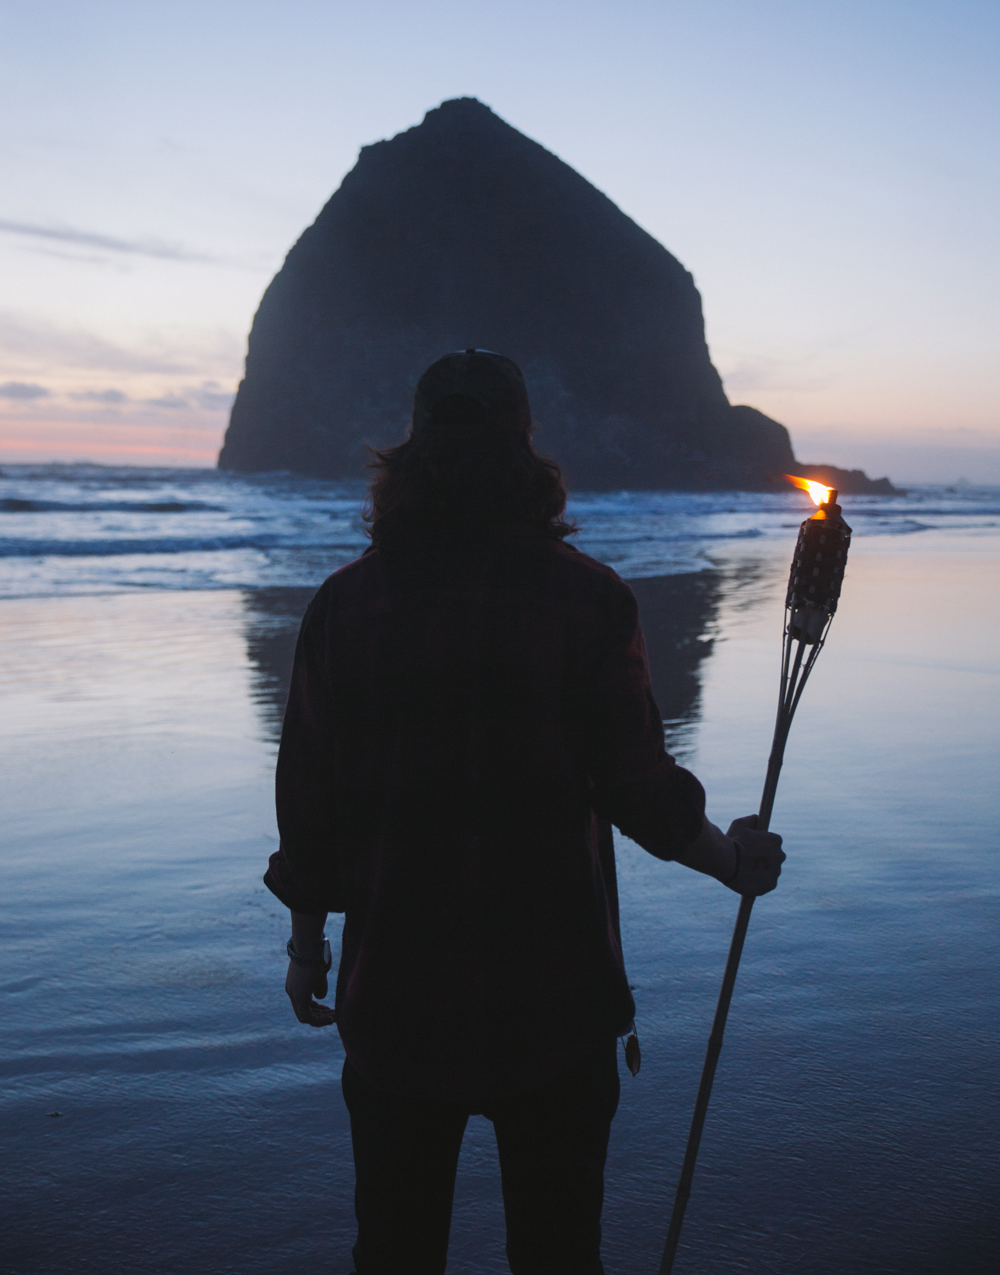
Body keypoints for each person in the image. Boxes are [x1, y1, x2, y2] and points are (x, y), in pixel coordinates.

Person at [264, 349, 785, 1275]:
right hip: (555, 1000)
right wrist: (728, 860)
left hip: (396, 998)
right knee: (556, 1254)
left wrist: (309, 946)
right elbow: (639, 789)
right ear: (526, 452)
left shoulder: (348, 607)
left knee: (394, 1252)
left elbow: (310, 801)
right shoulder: (586, 600)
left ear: (410, 455)